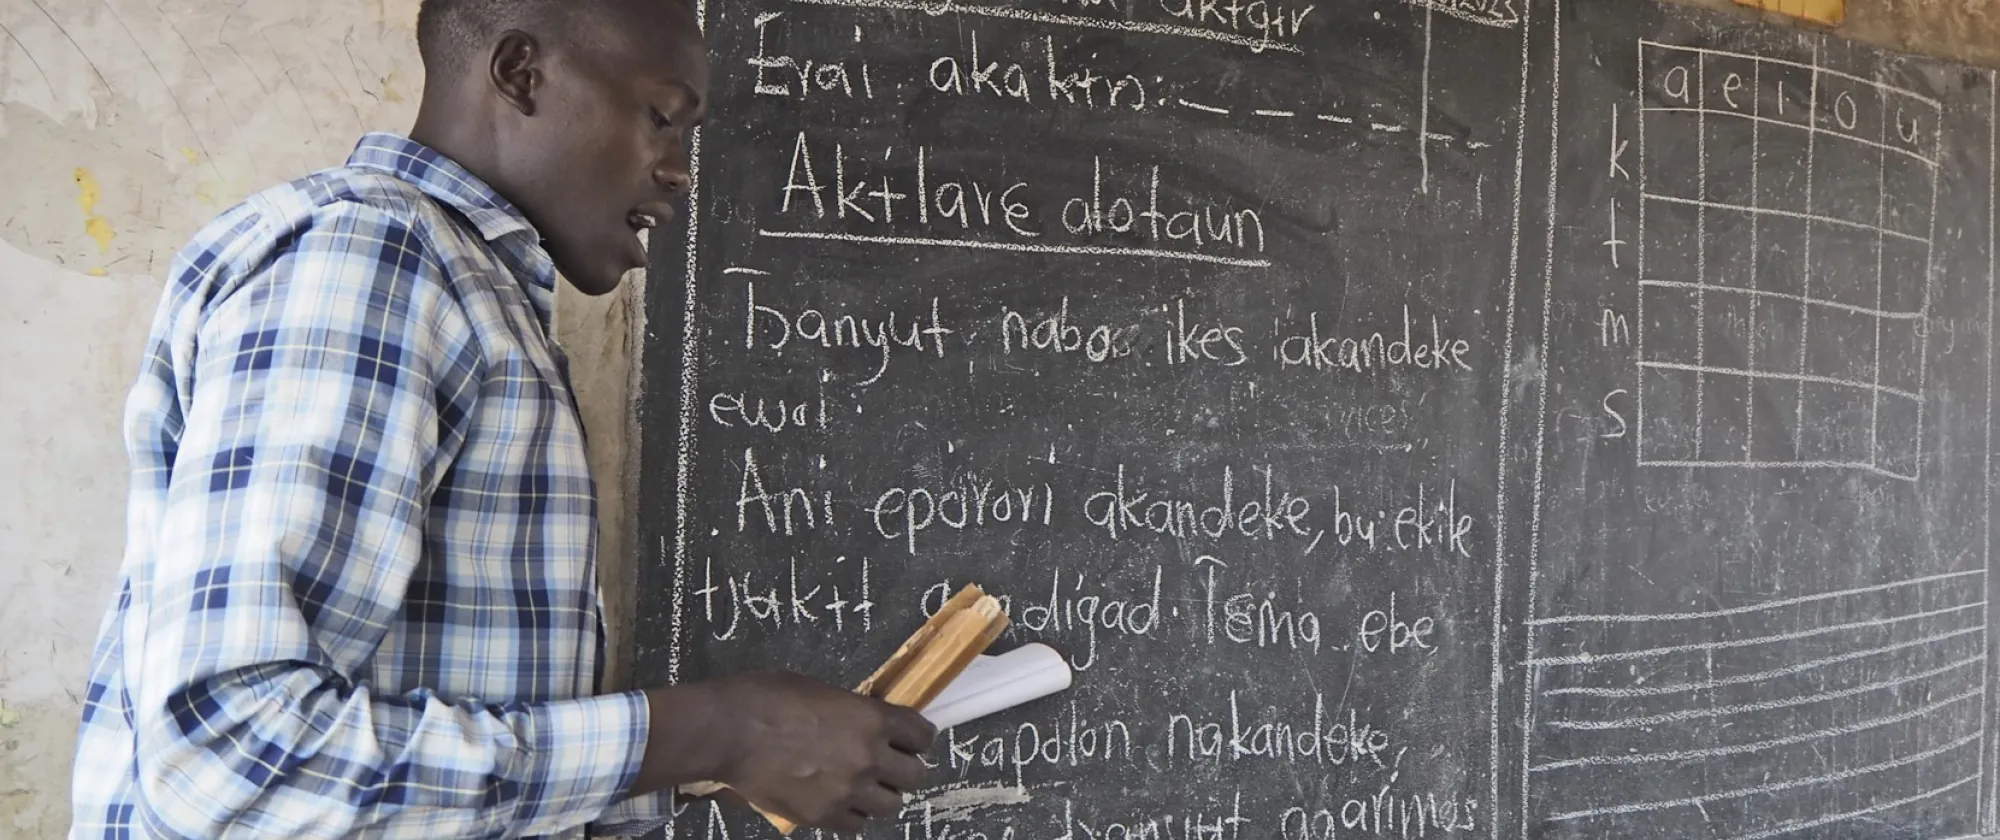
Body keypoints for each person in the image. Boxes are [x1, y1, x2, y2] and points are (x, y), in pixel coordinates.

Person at [68, 0, 936, 836]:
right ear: (521, 73)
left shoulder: (467, 297)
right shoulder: (374, 262)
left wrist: (701, 768)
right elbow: (234, 768)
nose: (678, 170)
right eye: (662, 118)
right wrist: (719, 730)